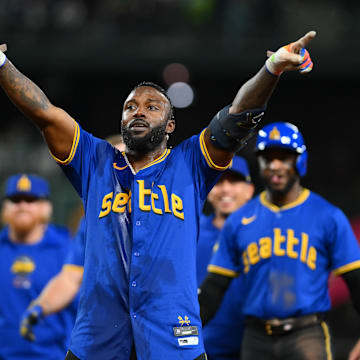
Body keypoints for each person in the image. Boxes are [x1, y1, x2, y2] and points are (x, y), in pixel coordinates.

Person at [0, 31, 316, 360]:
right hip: (97, 340)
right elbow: (45, 113)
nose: (139, 112)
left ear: (169, 126)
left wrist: (272, 68)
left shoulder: (190, 163)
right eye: (130, 107)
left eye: (152, 107)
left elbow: (238, 115)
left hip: (173, 339)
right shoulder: (94, 161)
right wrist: (1, 63)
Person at [199, 122, 360, 360]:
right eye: (268, 158)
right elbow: (213, 290)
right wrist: (181, 336)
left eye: (284, 157)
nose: (275, 165)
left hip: (307, 334)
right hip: (255, 337)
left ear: (300, 161)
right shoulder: (240, 220)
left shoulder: (327, 216)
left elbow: (356, 281)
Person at [20, 135, 126, 341]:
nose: (121, 170)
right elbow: (71, 277)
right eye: (113, 164)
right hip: (109, 334)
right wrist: (40, 307)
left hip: (154, 333)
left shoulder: (169, 215)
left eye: (128, 160)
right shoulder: (92, 223)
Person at [0, 174, 76, 359]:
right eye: (15, 199)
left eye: (31, 199)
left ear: (46, 207)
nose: (23, 206)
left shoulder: (68, 248)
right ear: (5, 207)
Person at [197, 156, 254, 360]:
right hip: (202, 348)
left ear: (250, 190)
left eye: (234, 181)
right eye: (219, 181)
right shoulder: (190, 232)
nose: (226, 189)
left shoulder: (264, 233)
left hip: (253, 347)